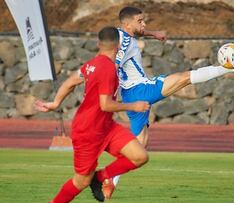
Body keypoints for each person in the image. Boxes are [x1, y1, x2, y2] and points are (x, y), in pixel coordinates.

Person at [106, 6, 234, 199]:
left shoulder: (123, 34)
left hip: (131, 95)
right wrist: (108, 97)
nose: (144, 23)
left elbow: (131, 37)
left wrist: (153, 33)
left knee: (139, 145)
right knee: (184, 78)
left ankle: (110, 179)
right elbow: (112, 66)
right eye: (140, 21)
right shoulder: (124, 42)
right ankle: (228, 68)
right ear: (128, 23)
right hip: (140, 90)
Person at [35, 26, 150, 203]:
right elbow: (105, 105)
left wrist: (56, 103)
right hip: (88, 131)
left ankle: (100, 177)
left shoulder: (91, 64)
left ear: (99, 44)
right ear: (118, 46)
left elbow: (69, 83)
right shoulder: (107, 69)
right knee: (81, 181)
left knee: (140, 156)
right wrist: (133, 106)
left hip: (105, 127)